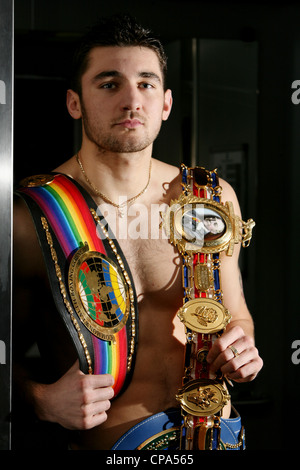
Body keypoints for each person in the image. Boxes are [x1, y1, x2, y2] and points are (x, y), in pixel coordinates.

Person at [13, 14, 263, 451]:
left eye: (146, 83)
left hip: (218, 438)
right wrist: (40, 400)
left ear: (165, 103)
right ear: (75, 103)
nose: (132, 100)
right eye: (109, 84)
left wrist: (243, 349)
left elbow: (236, 312)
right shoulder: (30, 217)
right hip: (116, 448)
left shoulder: (209, 196)